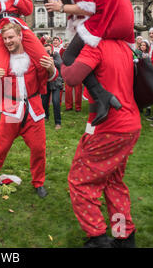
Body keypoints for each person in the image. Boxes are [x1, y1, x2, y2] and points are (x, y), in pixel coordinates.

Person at [61, 39, 141, 248]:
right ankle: (124, 235)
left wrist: (69, 52)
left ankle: (97, 237)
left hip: (109, 128)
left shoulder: (96, 46)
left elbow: (70, 76)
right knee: (113, 181)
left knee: (81, 181)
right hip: (129, 124)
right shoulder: (123, 45)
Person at [43, 0, 134, 125]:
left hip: (109, 15)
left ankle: (102, 96)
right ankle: (101, 96)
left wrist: (61, 7)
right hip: (121, 16)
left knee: (69, 57)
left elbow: (89, 8)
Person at [0, 23, 57, 198]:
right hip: (11, 109)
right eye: (5, 39)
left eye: (11, 37)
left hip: (34, 108)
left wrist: (51, 67)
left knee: (39, 148)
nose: (8, 41)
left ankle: (38, 182)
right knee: (0, 148)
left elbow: (51, 77)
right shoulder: (0, 59)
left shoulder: (33, 56)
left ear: (20, 36)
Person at [41, 43, 63, 130]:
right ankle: (46, 116)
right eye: (45, 50)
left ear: (52, 50)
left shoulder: (56, 55)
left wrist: (50, 60)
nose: (47, 52)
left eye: (48, 50)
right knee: (44, 102)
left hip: (56, 82)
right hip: (46, 82)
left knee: (56, 101)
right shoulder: (42, 56)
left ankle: (58, 122)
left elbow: (60, 64)